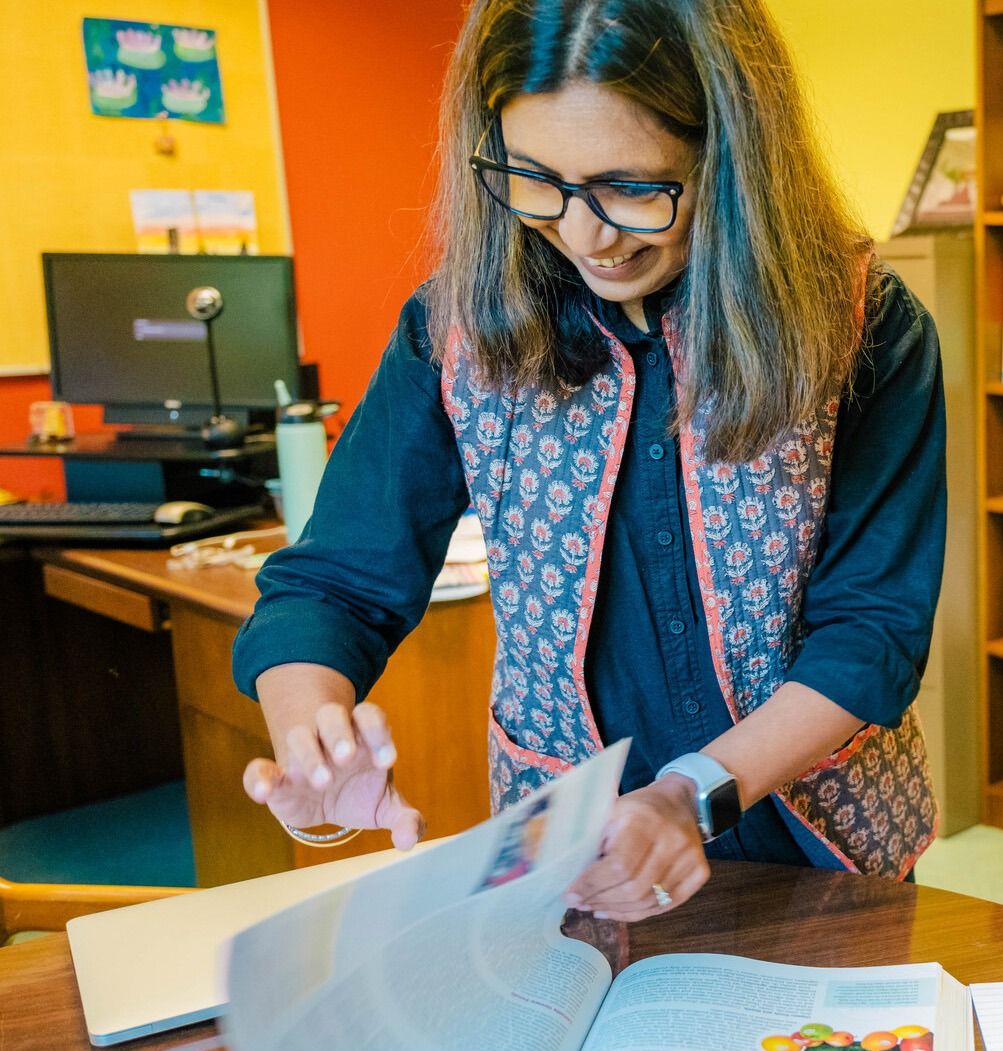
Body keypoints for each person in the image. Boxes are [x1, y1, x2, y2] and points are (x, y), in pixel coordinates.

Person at [232, 0, 945, 922]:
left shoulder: (863, 325)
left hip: (819, 841)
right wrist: (311, 734)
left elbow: (871, 633)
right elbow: (332, 582)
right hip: (566, 854)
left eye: (631, 187)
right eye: (535, 181)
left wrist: (691, 795)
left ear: (731, 159)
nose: (585, 236)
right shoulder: (453, 331)